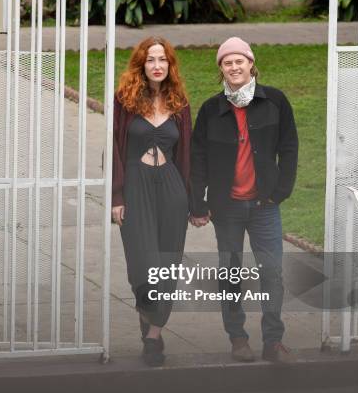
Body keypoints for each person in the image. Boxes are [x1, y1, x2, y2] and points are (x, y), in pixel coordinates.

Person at [190, 37, 298, 363]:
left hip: (265, 207)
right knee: (230, 272)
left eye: (239, 61)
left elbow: (289, 147)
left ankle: (273, 341)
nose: (234, 67)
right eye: (227, 62)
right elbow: (198, 158)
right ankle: (238, 338)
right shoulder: (211, 109)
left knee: (272, 273)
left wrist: (281, 191)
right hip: (227, 208)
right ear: (220, 69)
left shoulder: (275, 101)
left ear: (251, 63)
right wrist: (198, 202)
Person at [112, 37, 191, 367]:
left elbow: (186, 155)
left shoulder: (180, 103)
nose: (157, 65)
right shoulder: (125, 101)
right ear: (141, 65)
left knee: (167, 266)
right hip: (136, 186)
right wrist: (117, 196)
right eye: (150, 60)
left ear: (170, 65)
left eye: (163, 60)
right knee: (142, 268)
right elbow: (115, 149)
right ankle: (149, 320)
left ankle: (153, 336)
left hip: (171, 188)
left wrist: (193, 202)